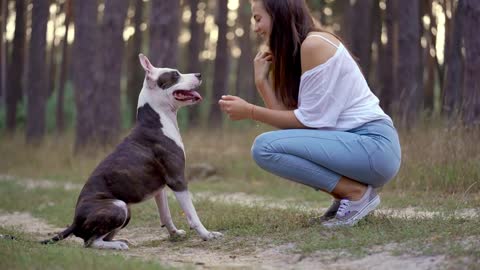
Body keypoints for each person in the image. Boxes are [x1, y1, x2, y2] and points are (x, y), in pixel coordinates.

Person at [218, 0, 401, 227]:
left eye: (258, 18)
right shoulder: (304, 49)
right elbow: (293, 130)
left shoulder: (314, 45)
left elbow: (307, 124)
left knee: (264, 147)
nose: (255, 28)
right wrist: (261, 82)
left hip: (373, 146)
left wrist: (251, 111)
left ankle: (354, 193)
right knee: (267, 147)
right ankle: (346, 195)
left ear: (279, 14)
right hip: (361, 148)